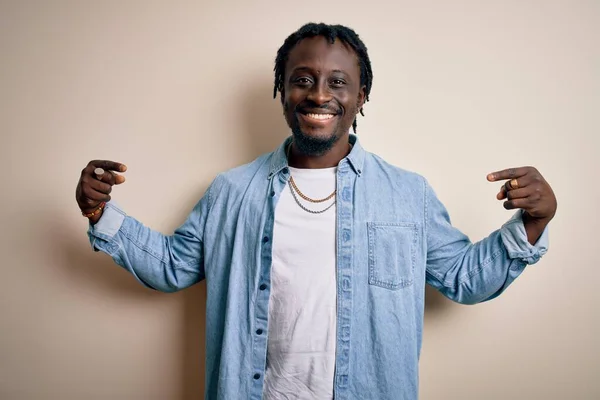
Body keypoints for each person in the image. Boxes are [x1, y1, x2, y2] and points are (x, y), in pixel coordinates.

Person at [75, 23, 557, 400]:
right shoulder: (231, 191)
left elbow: (463, 278)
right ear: (281, 92)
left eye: (338, 82)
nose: (319, 94)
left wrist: (532, 223)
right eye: (302, 80)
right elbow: (172, 267)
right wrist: (102, 213)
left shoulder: (407, 195)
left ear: (361, 97)